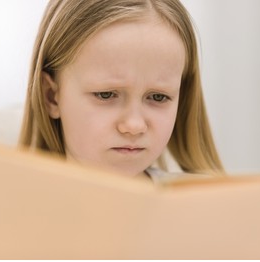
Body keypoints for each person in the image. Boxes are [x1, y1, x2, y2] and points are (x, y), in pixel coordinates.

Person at [19, 0, 224, 181]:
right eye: (106, 95)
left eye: (158, 97)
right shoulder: (9, 209)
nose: (134, 126)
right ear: (51, 97)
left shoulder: (204, 210)